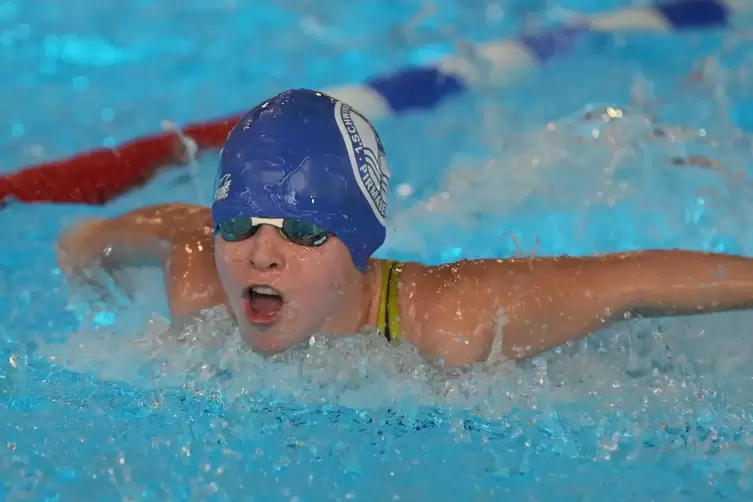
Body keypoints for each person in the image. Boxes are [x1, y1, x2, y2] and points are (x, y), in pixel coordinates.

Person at [57, 88, 753, 366]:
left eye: (301, 232)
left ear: (358, 244)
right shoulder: (202, 284)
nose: (259, 257)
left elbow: (628, 282)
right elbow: (146, 229)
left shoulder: (453, 321)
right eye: (240, 224)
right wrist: (83, 256)